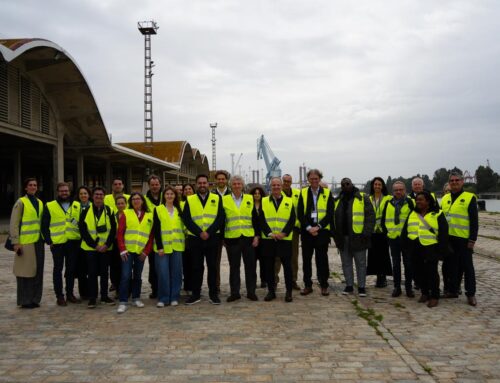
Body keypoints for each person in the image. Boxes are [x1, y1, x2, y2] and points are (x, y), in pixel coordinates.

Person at [182, 174, 225, 305]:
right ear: (196, 184)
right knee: (196, 267)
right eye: (199, 183)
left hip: (212, 238)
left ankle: (213, 294)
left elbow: (220, 217)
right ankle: (196, 294)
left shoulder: (217, 198)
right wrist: (200, 232)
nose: (202, 185)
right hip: (196, 238)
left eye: (204, 183)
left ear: (208, 184)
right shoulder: (190, 200)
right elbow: (187, 219)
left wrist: (209, 232)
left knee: (212, 267)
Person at [403, 191, 448, 308]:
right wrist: (407, 245)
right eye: (417, 200)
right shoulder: (412, 213)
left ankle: (434, 296)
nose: (418, 202)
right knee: (418, 272)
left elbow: (443, 233)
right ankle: (424, 293)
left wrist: (440, 250)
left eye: (421, 199)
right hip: (415, 247)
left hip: (431, 247)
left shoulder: (437, 213)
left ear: (428, 201)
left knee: (432, 272)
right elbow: (405, 229)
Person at [440, 172, 479, 306]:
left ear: (462, 182)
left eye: (457, 180)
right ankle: (453, 290)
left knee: (467, 267)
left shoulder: (469, 198)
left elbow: (474, 221)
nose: (454, 182)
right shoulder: (444, 199)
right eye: (452, 181)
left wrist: (472, 240)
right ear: (449, 183)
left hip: (463, 239)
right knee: (451, 266)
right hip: (448, 239)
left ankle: (471, 294)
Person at [333, 178, 375, 297]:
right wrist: (335, 236)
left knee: (361, 263)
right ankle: (349, 285)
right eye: (343, 185)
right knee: (346, 263)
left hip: (359, 237)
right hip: (343, 238)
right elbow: (333, 219)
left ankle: (361, 287)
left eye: (347, 184)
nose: (345, 186)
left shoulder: (362, 198)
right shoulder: (337, 200)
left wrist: (366, 234)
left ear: (352, 184)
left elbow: (370, 217)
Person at [297, 169, 334, 296]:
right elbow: (300, 213)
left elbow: (330, 214)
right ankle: (308, 285)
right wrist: (308, 228)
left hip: (322, 231)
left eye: (316, 178)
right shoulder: (302, 193)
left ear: (320, 179)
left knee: (322, 259)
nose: (314, 180)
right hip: (307, 232)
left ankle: (324, 285)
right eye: (311, 178)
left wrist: (317, 227)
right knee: (306, 260)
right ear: (308, 180)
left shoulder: (327, 193)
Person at [9, 178, 45, 309]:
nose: (33, 187)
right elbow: (14, 223)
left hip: (38, 242)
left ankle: (35, 299)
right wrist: (16, 242)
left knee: (38, 272)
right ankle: (25, 300)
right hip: (25, 243)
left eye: (35, 185)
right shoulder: (21, 202)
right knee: (25, 273)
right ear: (25, 187)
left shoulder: (40, 203)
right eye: (30, 185)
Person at [259, 177, 296, 302]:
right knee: (269, 267)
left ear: (281, 186)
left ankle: (289, 292)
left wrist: (284, 233)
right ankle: (271, 291)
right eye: (273, 185)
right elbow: (261, 220)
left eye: (278, 185)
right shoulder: (264, 201)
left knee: (287, 267)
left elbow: (292, 220)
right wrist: (270, 233)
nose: (276, 187)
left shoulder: (289, 201)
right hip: (269, 239)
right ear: (270, 187)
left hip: (284, 239)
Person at [41, 182, 78, 306]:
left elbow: (82, 224)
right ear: (57, 192)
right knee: (58, 269)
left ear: (70, 191)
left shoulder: (76, 205)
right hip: (57, 243)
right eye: (62, 191)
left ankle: (70, 293)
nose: (64, 193)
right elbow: (44, 225)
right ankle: (59, 296)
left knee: (71, 270)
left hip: (72, 242)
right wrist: (49, 241)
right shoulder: (50, 205)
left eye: (66, 191)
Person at [116, 192, 154, 313]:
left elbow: (151, 236)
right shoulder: (126, 213)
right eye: (134, 199)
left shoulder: (149, 216)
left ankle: (136, 298)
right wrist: (122, 249)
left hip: (141, 252)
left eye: (138, 199)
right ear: (131, 202)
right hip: (127, 251)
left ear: (142, 201)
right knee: (126, 276)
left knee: (137, 276)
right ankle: (123, 301)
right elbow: (120, 233)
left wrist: (146, 252)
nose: (136, 201)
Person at [223, 176, 259, 302]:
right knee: (234, 267)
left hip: (248, 238)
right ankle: (235, 292)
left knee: (250, 266)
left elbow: (255, 219)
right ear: (231, 185)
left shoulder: (249, 199)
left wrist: (256, 236)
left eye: (239, 183)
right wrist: (223, 238)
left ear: (243, 185)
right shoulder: (225, 200)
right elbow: (222, 220)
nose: (237, 186)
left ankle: (251, 292)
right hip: (232, 238)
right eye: (234, 184)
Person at [79, 187, 116, 308]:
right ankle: (92, 297)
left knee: (105, 273)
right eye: (96, 194)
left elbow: (113, 230)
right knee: (92, 273)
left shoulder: (109, 210)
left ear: (104, 196)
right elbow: (83, 231)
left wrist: (106, 245)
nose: (99, 197)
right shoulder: (85, 211)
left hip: (106, 248)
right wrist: (95, 245)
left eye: (101, 195)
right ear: (92, 196)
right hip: (91, 249)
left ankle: (104, 296)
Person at [381, 181, 415, 298]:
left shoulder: (410, 202)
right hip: (393, 239)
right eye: (396, 190)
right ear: (393, 191)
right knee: (395, 264)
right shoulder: (388, 203)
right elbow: (384, 220)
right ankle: (397, 287)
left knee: (408, 264)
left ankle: (409, 288)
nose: (398, 192)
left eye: (401, 189)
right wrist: (387, 234)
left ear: (405, 190)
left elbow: (416, 220)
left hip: (407, 239)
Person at [153, 186, 185, 307]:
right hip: (163, 248)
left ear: (175, 196)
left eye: (172, 194)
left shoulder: (179, 210)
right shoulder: (158, 209)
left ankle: (174, 297)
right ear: (164, 196)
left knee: (176, 273)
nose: (170, 196)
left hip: (177, 246)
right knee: (163, 273)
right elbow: (156, 229)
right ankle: (163, 298)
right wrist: (160, 246)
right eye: (167, 194)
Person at [275, 174, 301, 291]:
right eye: (284, 181)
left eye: (289, 181)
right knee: (277, 257)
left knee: (293, 257)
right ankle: (274, 281)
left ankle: (293, 280)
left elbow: (301, 210)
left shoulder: (297, 194)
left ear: (291, 182)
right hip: (279, 230)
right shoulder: (277, 194)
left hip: (294, 231)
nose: (286, 183)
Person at [366, 177, 393, 288]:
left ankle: (383, 277)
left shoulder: (388, 198)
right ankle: (377, 276)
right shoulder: (368, 198)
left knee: (384, 254)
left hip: (383, 231)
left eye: (379, 184)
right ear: (373, 186)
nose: (377, 186)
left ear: (383, 186)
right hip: (372, 231)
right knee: (373, 255)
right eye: (375, 184)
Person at [212, 170, 231, 294]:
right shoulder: (212, 195)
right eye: (218, 179)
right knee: (215, 262)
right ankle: (216, 285)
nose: (221, 181)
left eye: (223, 179)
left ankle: (234, 287)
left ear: (226, 180)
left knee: (234, 262)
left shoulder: (233, 194)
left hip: (231, 232)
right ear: (216, 180)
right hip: (217, 234)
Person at [144, 175, 163, 299]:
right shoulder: (144, 200)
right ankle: (155, 289)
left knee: (165, 264)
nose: (155, 187)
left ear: (160, 185)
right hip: (151, 236)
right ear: (149, 185)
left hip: (166, 235)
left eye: (157, 184)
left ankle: (165, 287)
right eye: (152, 185)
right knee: (153, 264)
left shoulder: (166, 196)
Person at [72, 186, 91, 300]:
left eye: (85, 193)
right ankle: (83, 292)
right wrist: (80, 227)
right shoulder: (74, 207)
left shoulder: (93, 206)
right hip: (77, 241)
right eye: (81, 194)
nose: (83, 195)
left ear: (89, 195)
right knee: (81, 269)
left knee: (91, 268)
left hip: (90, 241)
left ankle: (92, 291)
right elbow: (70, 219)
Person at [109, 195, 127, 297]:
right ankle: (117, 287)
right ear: (116, 205)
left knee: (125, 267)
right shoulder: (113, 216)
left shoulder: (130, 215)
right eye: (118, 203)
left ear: (126, 204)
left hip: (127, 244)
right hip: (115, 244)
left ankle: (125, 288)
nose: (120, 205)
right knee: (115, 266)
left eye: (122, 203)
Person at [250, 185, 267, 288]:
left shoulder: (265, 205)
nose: (257, 195)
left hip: (263, 236)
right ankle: (253, 280)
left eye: (258, 193)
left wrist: (259, 235)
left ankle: (263, 280)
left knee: (264, 261)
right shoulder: (248, 205)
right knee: (252, 261)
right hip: (251, 236)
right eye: (255, 193)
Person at [181, 183, 195, 294]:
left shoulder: (196, 203)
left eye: (190, 189)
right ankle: (187, 286)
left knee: (194, 263)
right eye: (185, 189)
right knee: (185, 264)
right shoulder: (180, 204)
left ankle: (193, 285)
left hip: (194, 236)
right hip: (183, 237)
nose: (187, 191)